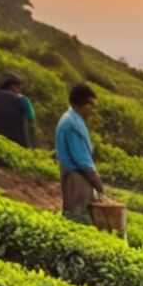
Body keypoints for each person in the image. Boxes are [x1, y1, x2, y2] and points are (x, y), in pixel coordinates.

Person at [53, 83, 104, 222]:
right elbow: (83, 162)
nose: (92, 110)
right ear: (82, 103)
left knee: (74, 215)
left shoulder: (71, 118)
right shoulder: (72, 124)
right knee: (77, 217)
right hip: (76, 179)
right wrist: (99, 186)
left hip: (75, 177)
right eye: (91, 105)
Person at [0, 72, 35, 148]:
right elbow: (31, 118)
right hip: (18, 142)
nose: (19, 89)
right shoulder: (23, 100)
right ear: (13, 86)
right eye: (18, 86)